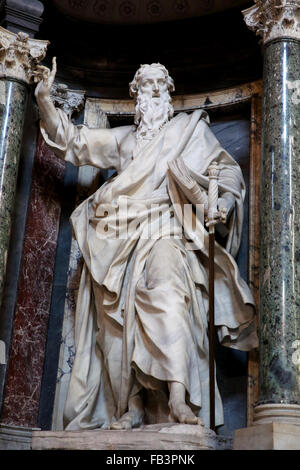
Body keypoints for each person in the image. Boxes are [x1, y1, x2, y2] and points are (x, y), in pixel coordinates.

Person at [35, 59, 258, 431]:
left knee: (167, 293)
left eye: (160, 85)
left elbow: (229, 170)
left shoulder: (188, 132)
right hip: (119, 238)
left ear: (169, 95)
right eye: (146, 85)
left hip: (169, 232)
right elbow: (75, 142)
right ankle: (132, 406)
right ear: (135, 96)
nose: (153, 91)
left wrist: (222, 203)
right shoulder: (123, 141)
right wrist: (44, 100)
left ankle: (177, 396)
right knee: (120, 320)